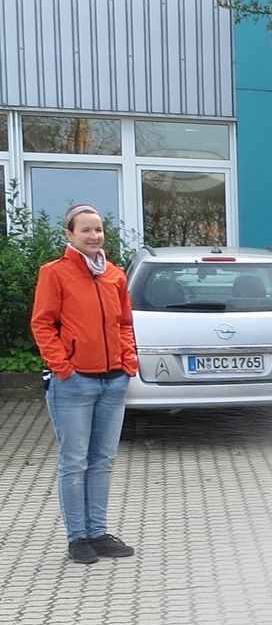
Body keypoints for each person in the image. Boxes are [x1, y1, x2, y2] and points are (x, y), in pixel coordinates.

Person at [30, 204, 139, 565]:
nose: (94, 236)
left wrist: (128, 363)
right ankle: (77, 538)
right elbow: (42, 324)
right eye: (86, 230)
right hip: (73, 383)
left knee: (103, 460)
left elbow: (124, 323)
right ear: (70, 235)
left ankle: (98, 533)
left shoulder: (114, 275)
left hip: (113, 382)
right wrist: (63, 367)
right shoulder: (55, 273)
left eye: (98, 230)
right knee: (74, 461)